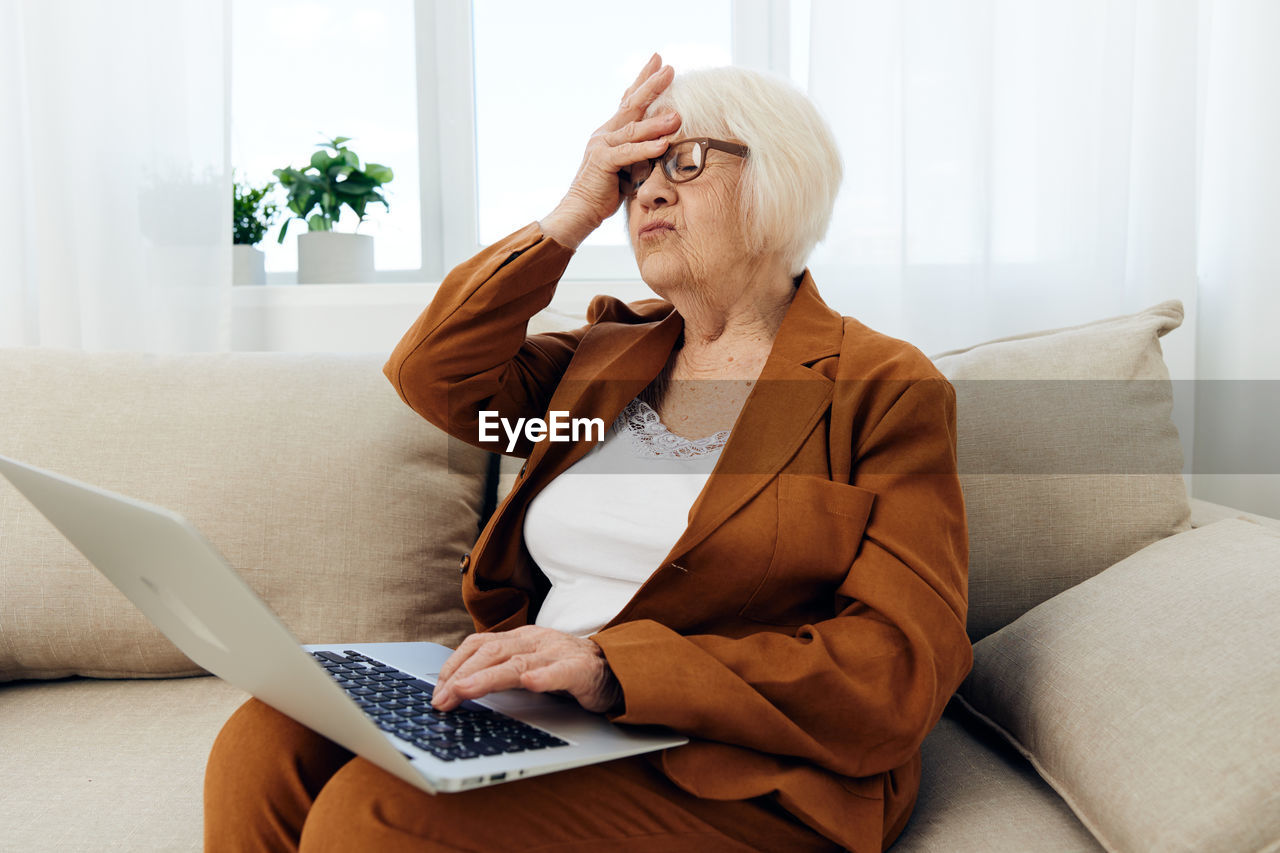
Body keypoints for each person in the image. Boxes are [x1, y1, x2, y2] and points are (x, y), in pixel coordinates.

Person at [204, 53, 972, 853]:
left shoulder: (883, 385)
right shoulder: (609, 353)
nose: (650, 193)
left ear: (782, 179)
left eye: (683, 162)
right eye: (634, 176)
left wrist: (612, 666)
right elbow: (435, 375)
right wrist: (572, 212)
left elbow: (897, 666)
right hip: (551, 717)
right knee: (271, 736)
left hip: (734, 759)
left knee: (375, 812)